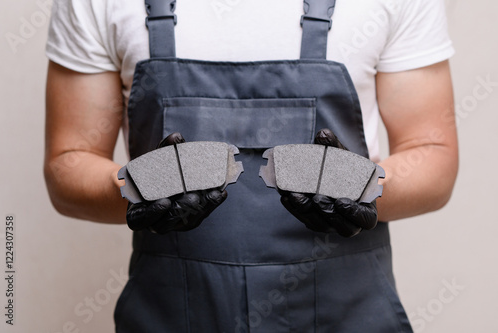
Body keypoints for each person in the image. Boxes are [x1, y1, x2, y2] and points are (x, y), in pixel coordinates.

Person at [44, 0, 458, 332]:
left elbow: (433, 155)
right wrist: (142, 188)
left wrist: (356, 187)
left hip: (348, 312)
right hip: (172, 312)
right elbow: (67, 165)